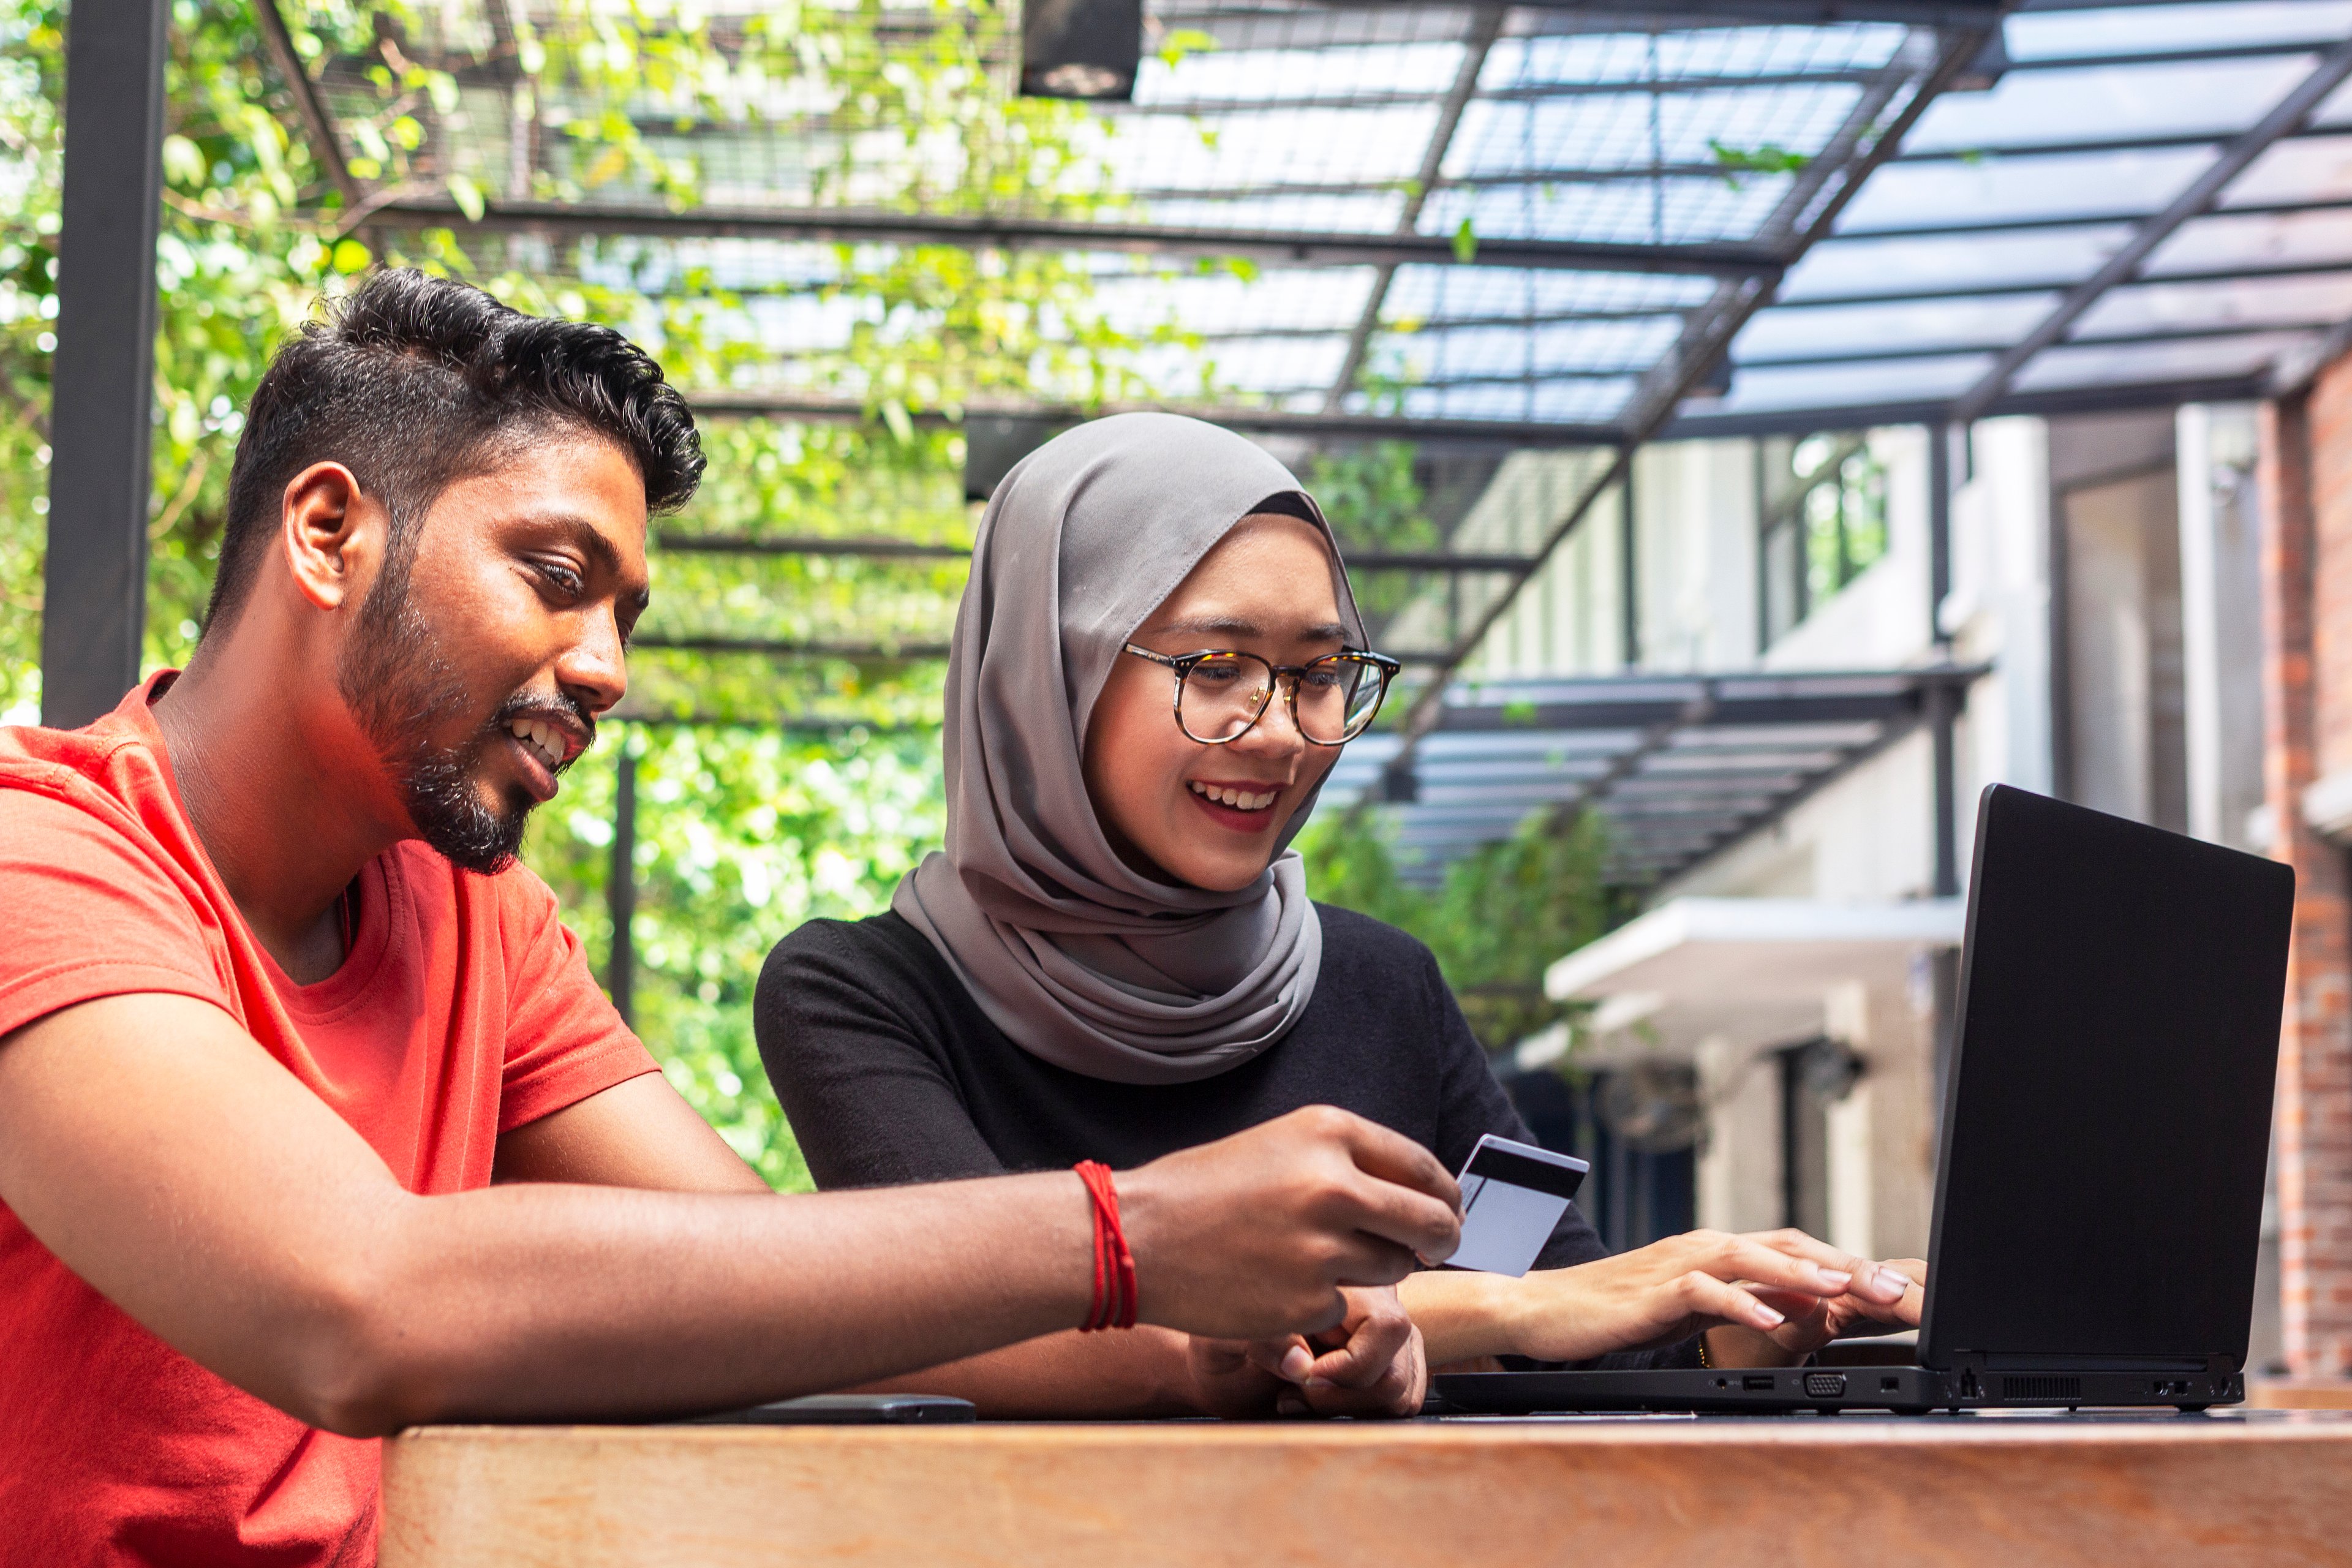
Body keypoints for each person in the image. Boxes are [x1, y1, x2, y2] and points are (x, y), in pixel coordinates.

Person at [0, 275, 1465, 1565]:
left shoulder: (477, 918)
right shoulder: (40, 861)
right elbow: (363, 1298)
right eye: (558, 577)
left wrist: (1196, 1353)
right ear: (329, 532)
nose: (605, 667)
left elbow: (762, 1270)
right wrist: (1131, 1228)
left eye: (625, 614)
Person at [755, 413, 1925, 1419]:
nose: (1279, 731)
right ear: (1046, 678)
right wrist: (1520, 1306)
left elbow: (1573, 1334)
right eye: (1216, 666)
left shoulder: (1378, 982)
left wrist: (1742, 1323)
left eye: (1321, 673)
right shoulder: (863, 993)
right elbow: (942, 1320)